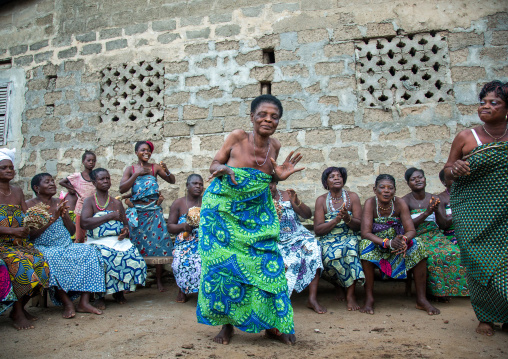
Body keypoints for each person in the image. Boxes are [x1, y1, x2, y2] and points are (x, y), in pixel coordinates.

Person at [197, 94, 302, 345]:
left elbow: (270, 178)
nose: (268, 119)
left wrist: (280, 177)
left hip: (256, 217)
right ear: (252, 116)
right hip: (224, 213)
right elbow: (214, 163)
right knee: (225, 270)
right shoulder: (237, 137)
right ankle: (227, 325)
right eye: (262, 114)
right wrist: (219, 168)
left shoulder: (274, 145)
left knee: (269, 266)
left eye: (274, 116)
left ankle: (272, 325)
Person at [444, 80, 508, 336]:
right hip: (473, 214)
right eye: (483, 102)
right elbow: (447, 172)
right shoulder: (465, 137)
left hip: (505, 213)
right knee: (479, 265)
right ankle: (486, 317)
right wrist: (454, 170)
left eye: (494, 103)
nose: (486, 107)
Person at [27, 173, 106, 318]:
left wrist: (64, 215)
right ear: (37, 188)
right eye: (47, 182)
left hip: (65, 244)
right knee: (53, 257)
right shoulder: (29, 205)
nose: (52, 184)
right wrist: (53, 218)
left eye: (52, 181)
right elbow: (30, 235)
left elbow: (70, 231)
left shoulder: (59, 202)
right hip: (44, 247)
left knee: (91, 251)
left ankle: (84, 302)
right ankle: (67, 303)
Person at [359, 174, 439, 315]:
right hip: (379, 242)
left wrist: (403, 240)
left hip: (398, 240)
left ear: (395, 190)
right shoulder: (370, 203)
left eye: (390, 188)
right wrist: (387, 242)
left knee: (419, 245)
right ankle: (369, 298)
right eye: (382, 187)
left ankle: (421, 299)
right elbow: (365, 233)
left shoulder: (400, 203)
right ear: (374, 189)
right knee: (365, 246)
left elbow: (411, 230)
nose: (386, 191)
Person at [81, 168, 147, 308]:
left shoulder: (116, 203)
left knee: (133, 255)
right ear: (94, 182)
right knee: (103, 257)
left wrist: (125, 231)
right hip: (96, 242)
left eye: (107, 178)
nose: (105, 181)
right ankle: (100, 295)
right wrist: (109, 216)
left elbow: (125, 224)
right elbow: (84, 223)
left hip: (116, 240)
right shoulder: (90, 202)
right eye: (101, 179)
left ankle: (119, 291)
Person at [0, 148, 50, 330]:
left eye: (10, 167)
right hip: (2, 245)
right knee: (21, 264)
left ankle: (18, 309)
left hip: (20, 243)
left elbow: (25, 215)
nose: (8, 170)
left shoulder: (17, 191)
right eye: (4, 168)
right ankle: (17, 312)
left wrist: (31, 223)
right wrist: (12, 231)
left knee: (41, 263)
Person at [402, 168, 469, 301]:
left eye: (420, 177)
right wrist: (426, 213)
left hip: (435, 234)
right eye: (413, 179)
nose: (417, 180)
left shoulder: (435, 198)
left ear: (425, 179)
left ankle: (448, 290)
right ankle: (433, 293)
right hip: (416, 235)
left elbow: (443, 223)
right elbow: (407, 225)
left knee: (454, 252)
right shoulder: (405, 201)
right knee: (432, 256)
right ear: (408, 184)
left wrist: (436, 210)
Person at [120, 141, 175, 292]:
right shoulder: (130, 169)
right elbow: (121, 188)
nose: (146, 152)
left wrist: (167, 170)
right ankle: (136, 280)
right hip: (137, 213)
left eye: (149, 150)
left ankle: (158, 280)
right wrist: (136, 174)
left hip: (153, 212)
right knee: (135, 246)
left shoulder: (155, 168)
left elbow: (172, 180)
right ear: (136, 152)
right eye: (143, 150)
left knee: (158, 245)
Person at [314, 167, 365, 311]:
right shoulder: (321, 200)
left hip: (349, 235)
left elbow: (359, 225)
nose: (337, 178)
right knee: (320, 252)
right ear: (326, 182)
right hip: (328, 237)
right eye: (332, 176)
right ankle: (338, 284)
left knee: (349, 248)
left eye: (339, 176)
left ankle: (351, 294)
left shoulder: (352, 197)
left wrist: (348, 219)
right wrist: (335, 221)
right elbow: (318, 229)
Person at [269, 181, 325, 314]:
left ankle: (312, 298)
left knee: (314, 247)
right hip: (272, 238)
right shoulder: (257, 197)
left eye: (271, 183)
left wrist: (296, 201)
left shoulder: (287, 195)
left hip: (297, 235)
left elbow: (307, 215)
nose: (268, 186)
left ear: (276, 182)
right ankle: (274, 300)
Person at [167, 174, 204, 303]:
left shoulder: (206, 202)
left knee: (202, 259)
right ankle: (182, 289)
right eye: (195, 183)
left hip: (202, 241)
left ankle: (202, 292)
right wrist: (183, 226)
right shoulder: (179, 203)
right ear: (187, 185)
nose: (198, 186)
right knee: (181, 260)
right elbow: (170, 227)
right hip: (184, 242)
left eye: (200, 184)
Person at [59, 150, 97, 243]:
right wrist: (72, 189)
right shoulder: (77, 176)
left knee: (93, 235)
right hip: (81, 208)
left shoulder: (96, 176)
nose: (91, 162)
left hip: (94, 208)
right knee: (80, 235)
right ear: (83, 162)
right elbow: (62, 182)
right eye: (89, 160)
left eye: (93, 161)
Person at [437, 169, 456, 244]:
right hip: (452, 234)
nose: (456, 179)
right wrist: (460, 213)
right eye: (451, 178)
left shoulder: (467, 194)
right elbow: (443, 224)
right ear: (444, 182)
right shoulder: (440, 198)